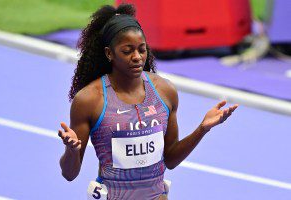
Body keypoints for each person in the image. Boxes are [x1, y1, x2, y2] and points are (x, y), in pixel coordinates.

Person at [58, 4, 238, 200]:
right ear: (109, 53)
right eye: (127, 51)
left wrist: (202, 129)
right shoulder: (90, 100)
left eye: (141, 50)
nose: (137, 57)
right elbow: (69, 174)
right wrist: (71, 150)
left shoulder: (164, 91)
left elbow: (170, 159)